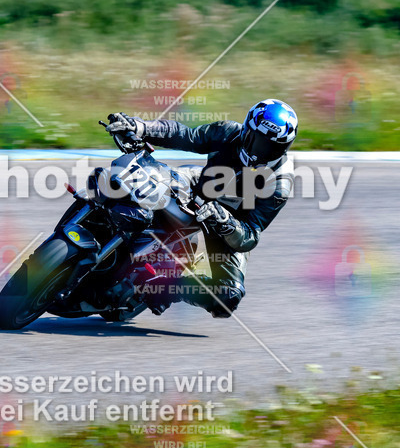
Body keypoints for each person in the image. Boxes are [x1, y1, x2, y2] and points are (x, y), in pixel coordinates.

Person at [105, 99, 297, 317]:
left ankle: (166, 285)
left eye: (276, 147)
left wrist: (224, 220)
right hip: (200, 186)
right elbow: (185, 136)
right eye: (262, 143)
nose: (266, 152)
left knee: (227, 297)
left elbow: (251, 235)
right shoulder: (227, 133)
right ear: (247, 131)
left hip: (229, 226)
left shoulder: (280, 184)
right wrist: (140, 127)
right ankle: (103, 217)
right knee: (140, 178)